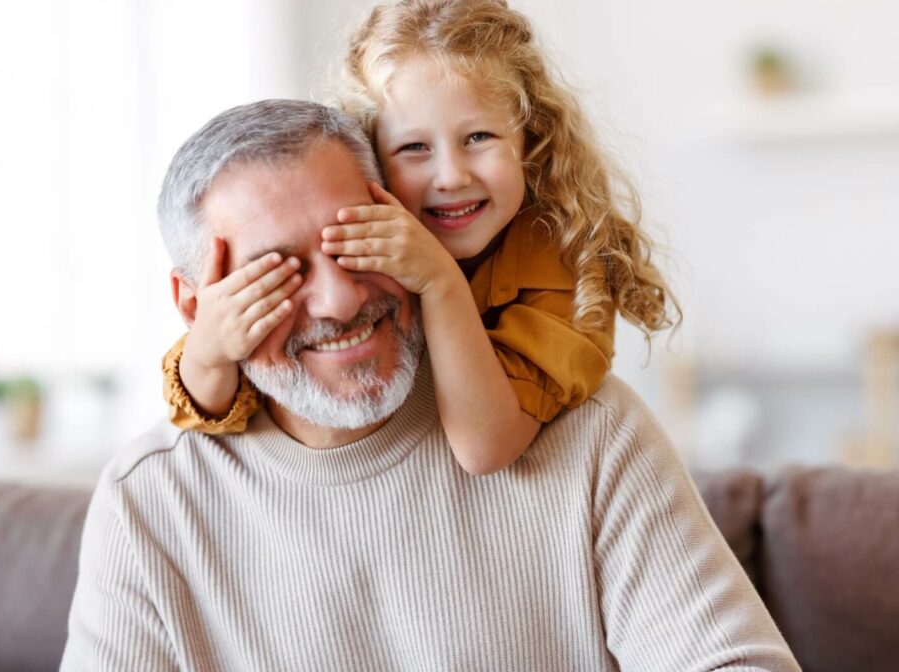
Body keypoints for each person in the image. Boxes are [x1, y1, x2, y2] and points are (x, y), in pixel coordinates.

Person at [61, 99, 799, 670]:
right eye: (277, 274)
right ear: (196, 307)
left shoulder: (584, 425)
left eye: (360, 242)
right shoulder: (149, 502)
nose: (341, 301)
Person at [160, 0, 680, 475]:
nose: (451, 175)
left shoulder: (565, 266)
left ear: (532, 141)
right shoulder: (347, 253)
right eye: (413, 147)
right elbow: (209, 409)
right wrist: (209, 353)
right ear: (372, 162)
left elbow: (485, 447)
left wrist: (439, 281)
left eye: (479, 138)